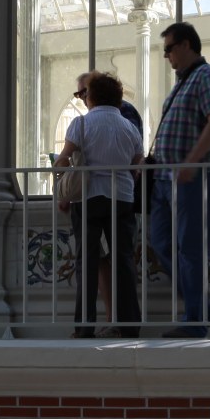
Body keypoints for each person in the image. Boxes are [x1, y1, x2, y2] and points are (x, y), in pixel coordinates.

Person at [148, 22, 210, 338]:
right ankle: (201, 306)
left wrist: (192, 163)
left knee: (190, 248)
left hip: (192, 178)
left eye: (168, 48)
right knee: (161, 242)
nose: (166, 55)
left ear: (186, 45)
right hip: (166, 178)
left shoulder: (207, 76)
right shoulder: (180, 84)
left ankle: (195, 320)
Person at [54, 71, 143, 337]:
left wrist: (62, 178)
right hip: (122, 198)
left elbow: (63, 160)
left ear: (91, 96)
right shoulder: (129, 127)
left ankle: (84, 327)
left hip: (89, 196)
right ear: (117, 98)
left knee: (88, 262)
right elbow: (137, 165)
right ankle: (129, 325)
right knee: (123, 260)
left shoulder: (81, 125)